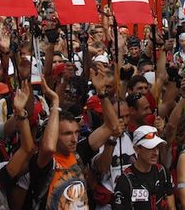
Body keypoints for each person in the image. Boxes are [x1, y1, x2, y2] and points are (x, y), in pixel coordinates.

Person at [28, 67, 118, 210]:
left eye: (76, 133)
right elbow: (49, 147)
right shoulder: (45, 161)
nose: (74, 139)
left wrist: (101, 93)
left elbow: (111, 126)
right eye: (67, 133)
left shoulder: (78, 153)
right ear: (54, 135)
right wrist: (55, 102)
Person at [112, 125, 175, 210]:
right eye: (150, 148)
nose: (156, 153)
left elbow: (171, 206)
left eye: (157, 147)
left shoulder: (162, 172)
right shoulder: (125, 180)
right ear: (137, 149)